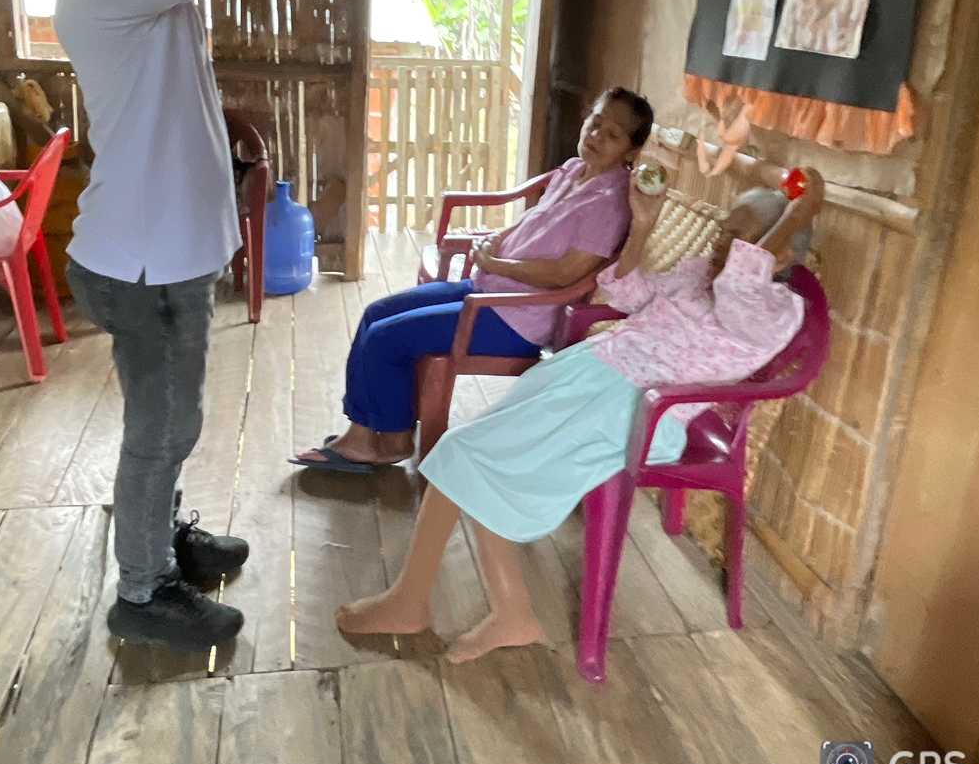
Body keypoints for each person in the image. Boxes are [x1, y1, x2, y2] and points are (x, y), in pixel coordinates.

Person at [55, 0, 399, 653]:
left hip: (162, 254)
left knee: (172, 420)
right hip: (142, 262)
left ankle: (162, 536)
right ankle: (142, 591)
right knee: (161, 429)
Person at [336, 166, 824, 663]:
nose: (722, 244)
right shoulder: (701, 275)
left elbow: (743, 285)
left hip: (637, 411)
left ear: (778, 255)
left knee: (472, 453)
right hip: (590, 378)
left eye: (738, 238)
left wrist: (795, 216)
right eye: (723, 230)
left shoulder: (773, 310)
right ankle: (493, 610)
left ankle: (428, 603)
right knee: (472, 448)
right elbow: (629, 296)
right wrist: (642, 227)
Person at [293, 86, 653, 473]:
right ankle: (371, 433)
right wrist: (498, 239)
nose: (596, 135)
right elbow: (535, 222)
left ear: (631, 151)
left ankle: (383, 440)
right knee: (375, 313)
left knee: (386, 338)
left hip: (517, 318)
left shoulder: (609, 202)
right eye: (595, 122)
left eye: (612, 135)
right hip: (490, 290)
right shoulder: (574, 170)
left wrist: (499, 264)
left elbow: (567, 273)